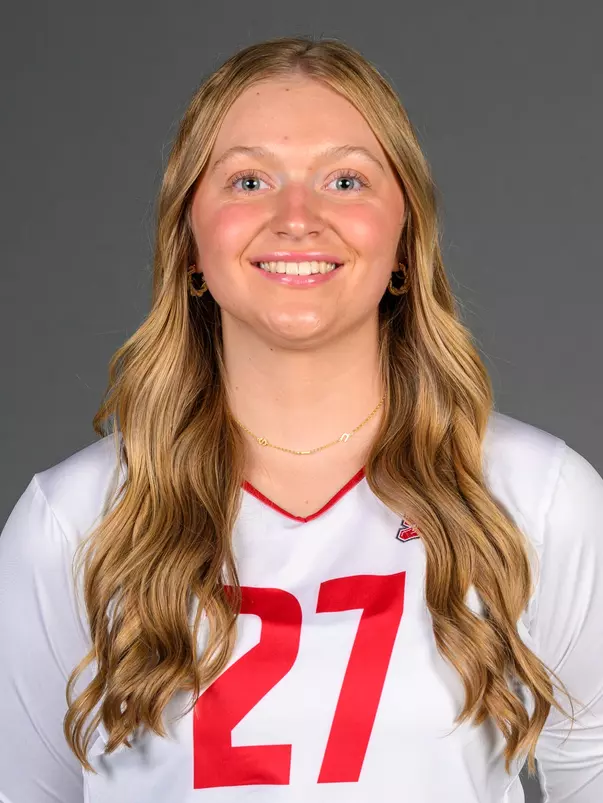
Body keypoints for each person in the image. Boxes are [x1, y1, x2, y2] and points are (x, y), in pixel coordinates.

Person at [0, 35, 601, 803]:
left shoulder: (534, 496)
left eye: (345, 179)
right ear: (188, 238)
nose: (296, 217)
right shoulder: (73, 521)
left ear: (404, 240)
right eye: (248, 180)